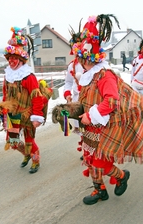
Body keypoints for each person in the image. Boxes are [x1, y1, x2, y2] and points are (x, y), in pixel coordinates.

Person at [71, 14, 143, 205]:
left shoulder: (105, 75)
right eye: (80, 58)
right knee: (90, 159)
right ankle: (99, 190)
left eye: (82, 58)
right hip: (91, 127)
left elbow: (111, 101)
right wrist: (70, 112)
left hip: (106, 126)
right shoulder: (87, 75)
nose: (80, 62)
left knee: (99, 162)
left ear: (90, 58)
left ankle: (122, 176)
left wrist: (90, 116)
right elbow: (87, 100)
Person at [0, 27, 52, 174]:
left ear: (21, 59)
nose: (11, 61)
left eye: (15, 58)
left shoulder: (29, 77)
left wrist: (37, 116)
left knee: (29, 141)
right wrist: (3, 110)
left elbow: (37, 98)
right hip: (12, 114)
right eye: (9, 58)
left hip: (27, 114)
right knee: (13, 142)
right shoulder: (7, 75)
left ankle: (35, 160)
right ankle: (26, 154)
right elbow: (5, 94)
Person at [64, 24, 85, 160]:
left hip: (92, 100)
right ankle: (87, 150)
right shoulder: (72, 65)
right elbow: (68, 83)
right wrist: (68, 94)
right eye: (75, 45)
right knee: (81, 128)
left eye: (80, 44)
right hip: (78, 101)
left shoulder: (93, 62)